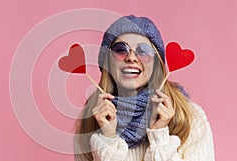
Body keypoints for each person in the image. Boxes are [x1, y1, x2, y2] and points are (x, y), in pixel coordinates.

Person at [74, 15, 215, 161]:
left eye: (143, 51)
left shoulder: (190, 117)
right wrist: (107, 139)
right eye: (121, 50)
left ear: (156, 63)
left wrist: (159, 138)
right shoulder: (91, 120)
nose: (131, 58)